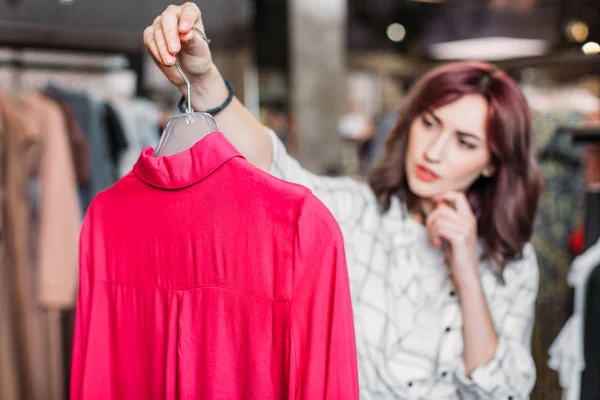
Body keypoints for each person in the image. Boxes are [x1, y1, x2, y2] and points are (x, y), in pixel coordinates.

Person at [144, 3, 542, 399]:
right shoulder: (356, 212)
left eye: (465, 142)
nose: (434, 152)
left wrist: (467, 271)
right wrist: (202, 79)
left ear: (493, 162)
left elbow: (503, 392)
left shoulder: (511, 262)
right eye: (430, 123)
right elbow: (273, 166)